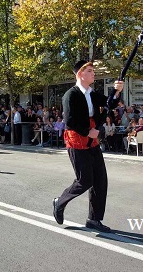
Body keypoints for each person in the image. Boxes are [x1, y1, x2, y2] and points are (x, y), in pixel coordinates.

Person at [52, 60, 123, 233]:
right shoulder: (71, 95)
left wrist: (117, 91)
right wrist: (87, 131)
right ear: (80, 74)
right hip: (77, 139)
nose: (93, 73)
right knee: (85, 180)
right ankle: (59, 202)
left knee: (100, 180)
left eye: (93, 70)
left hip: (92, 139)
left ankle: (94, 219)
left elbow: (110, 103)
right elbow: (69, 121)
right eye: (90, 71)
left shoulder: (91, 93)